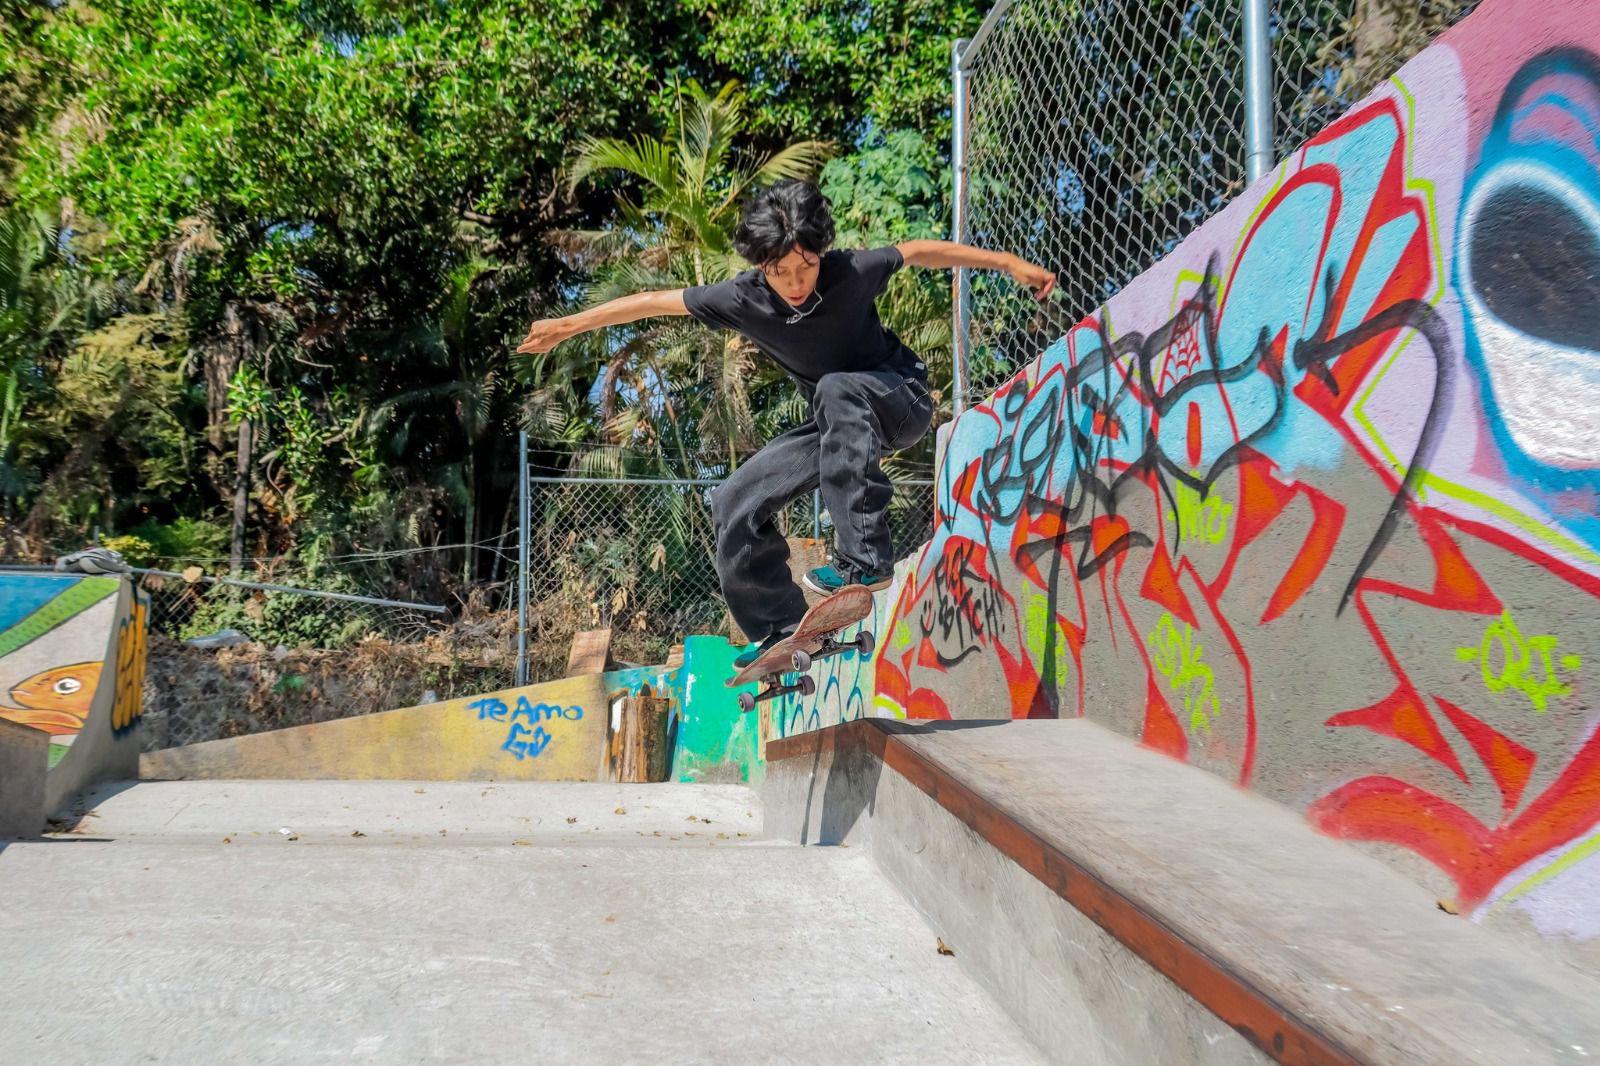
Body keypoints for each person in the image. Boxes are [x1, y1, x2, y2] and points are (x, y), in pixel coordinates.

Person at [517, 179, 1055, 667]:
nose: (795, 283)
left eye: (806, 267)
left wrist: (1009, 263)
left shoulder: (851, 272)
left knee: (836, 388)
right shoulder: (742, 298)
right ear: (761, 266)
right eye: (780, 273)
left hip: (900, 400)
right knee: (733, 499)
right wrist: (569, 325)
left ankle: (865, 558)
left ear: (820, 253)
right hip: (838, 427)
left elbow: (917, 251)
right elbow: (655, 301)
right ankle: (779, 627)